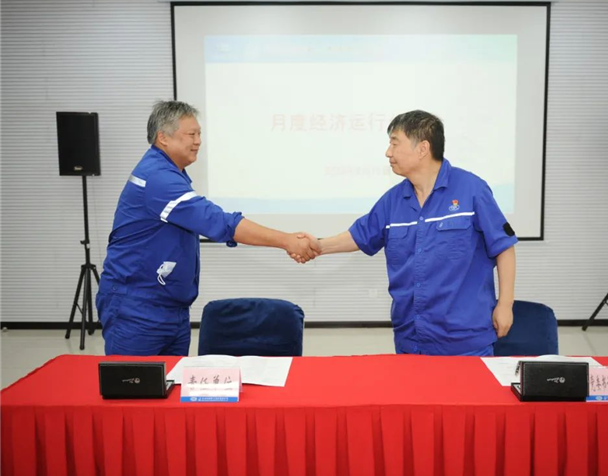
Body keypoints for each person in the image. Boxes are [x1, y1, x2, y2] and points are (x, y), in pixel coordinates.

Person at [96, 100, 319, 356]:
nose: (198, 141)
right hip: (137, 308)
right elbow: (218, 222)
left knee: (170, 380)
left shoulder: (169, 172)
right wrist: (287, 240)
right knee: (135, 381)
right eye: (191, 134)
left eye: (199, 134)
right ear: (163, 137)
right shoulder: (158, 178)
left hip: (169, 307)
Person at [297, 110, 517, 356]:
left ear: (422, 148)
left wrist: (505, 304)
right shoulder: (393, 200)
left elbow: (504, 247)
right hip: (411, 340)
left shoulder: (472, 190)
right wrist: (317, 246)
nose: (388, 152)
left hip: (465, 340)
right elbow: (359, 236)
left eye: (394, 143)